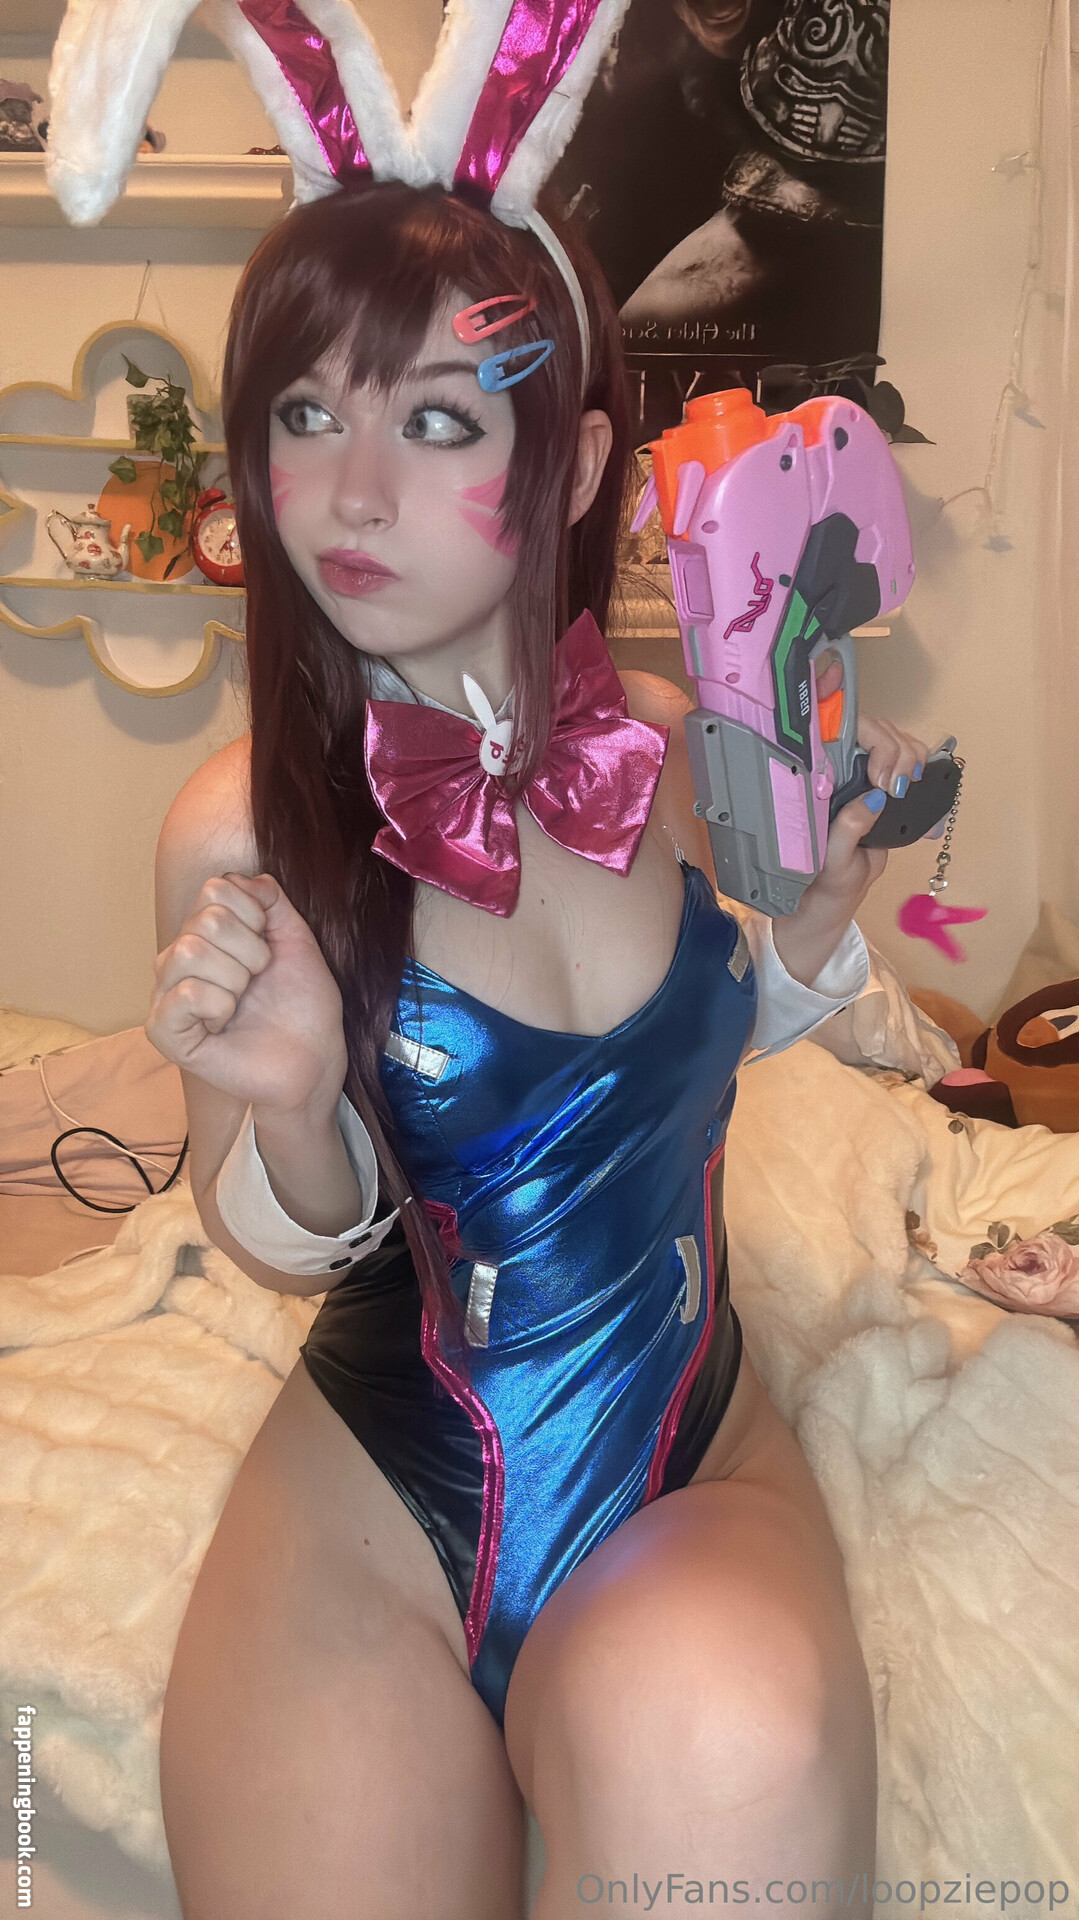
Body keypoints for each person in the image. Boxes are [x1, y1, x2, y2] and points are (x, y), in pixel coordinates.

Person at [146, 179, 925, 1920]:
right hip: (376, 1496)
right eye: (305, 415)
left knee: (729, 1739)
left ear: (571, 468)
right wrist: (296, 1105)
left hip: (687, 1454)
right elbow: (273, 1243)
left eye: (436, 421)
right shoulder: (239, 832)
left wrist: (810, 930)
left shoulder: (667, 742)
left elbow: (697, 1041)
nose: (353, 493)